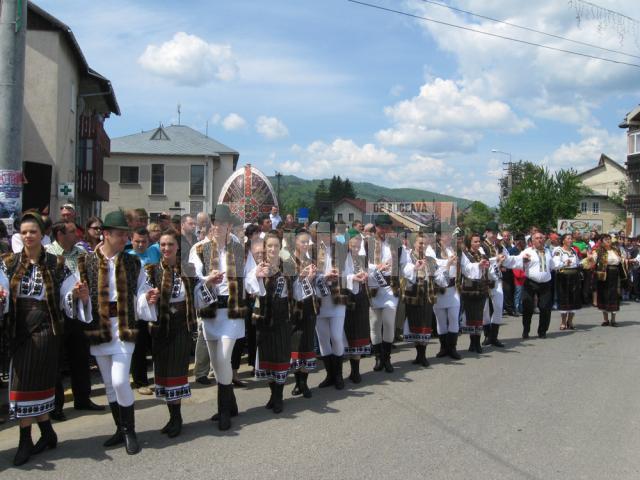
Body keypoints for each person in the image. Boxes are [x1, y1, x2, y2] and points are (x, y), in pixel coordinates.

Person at [73, 210, 152, 455]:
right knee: (109, 383)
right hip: (99, 326)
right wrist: (81, 297)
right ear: (105, 234)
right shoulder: (86, 261)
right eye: (120, 235)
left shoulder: (132, 261)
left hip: (124, 326)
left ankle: (130, 431)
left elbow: (142, 290)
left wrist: (148, 297)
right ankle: (120, 428)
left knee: (119, 380)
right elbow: (75, 295)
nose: (125, 239)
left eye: (126, 234)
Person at [0, 212, 76, 466]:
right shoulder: (9, 263)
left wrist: (78, 294)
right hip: (17, 329)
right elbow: (2, 293)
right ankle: (47, 432)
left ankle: (25, 440)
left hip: (45, 328)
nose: (28, 236)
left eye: (33, 231)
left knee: (29, 383)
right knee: (23, 382)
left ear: (42, 235)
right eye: (24, 232)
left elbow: (67, 294)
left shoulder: (56, 263)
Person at [189, 204, 248, 431]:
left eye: (223, 223)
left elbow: (250, 273)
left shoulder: (239, 249)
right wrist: (207, 278)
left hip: (232, 311)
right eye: (216, 223)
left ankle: (224, 411)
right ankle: (230, 404)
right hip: (210, 311)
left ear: (230, 226)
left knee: (223, 359)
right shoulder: (199, 248)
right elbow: (194, 275)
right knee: (216, 361)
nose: (218, 227)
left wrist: (258, 275)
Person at [138, 229, 197, 438]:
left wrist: (210, 282)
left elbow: (197, 293)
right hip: (161, 327)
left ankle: (177, 417)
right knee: (163, 372)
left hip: (181, 326)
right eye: (162, 245)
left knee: (176, 372)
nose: (166, 248)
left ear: (178, 247)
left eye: (170, 245)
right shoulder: (151, 270)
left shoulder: (188, 269)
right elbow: (142, 296)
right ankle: (172, 416)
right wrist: (148, 298)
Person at [47, 221, 104, 420]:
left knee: (80, 357)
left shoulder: (81, 253)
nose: (77, 235)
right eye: (72, 232)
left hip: (79, 312)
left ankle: (83, 398)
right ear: (60, 234)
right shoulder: (48, 254)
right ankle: (56, 406)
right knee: (56, 360)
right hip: (57, 313)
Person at [245, 232, 293, 413]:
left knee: (280, 356)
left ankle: (279, 396)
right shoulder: (258, 266)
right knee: (268, 357)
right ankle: (273, 394)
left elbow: (295, 290)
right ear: (265, 248)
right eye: (269, 246)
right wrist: (257, 275)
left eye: (276, 246)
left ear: (280, 248)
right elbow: (249, 288)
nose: (273, 249)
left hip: (282, 317)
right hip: (264, 317)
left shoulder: (288, 266)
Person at [313, 223, 353, 390]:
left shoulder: (342, 250)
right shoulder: (313, 251)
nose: (324, 237)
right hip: (320, 300)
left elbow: (349, 271)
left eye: (327, 233)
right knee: (323, 339)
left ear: (332, 234)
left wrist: (340, 276)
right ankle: (330, 375)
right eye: (320, 234)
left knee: (336, 336)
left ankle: (338, 375)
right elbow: (308, 274)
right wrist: (323, 277)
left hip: (337, 299)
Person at [365, 215, 407, 372]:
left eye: (387, 228)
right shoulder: (367, 244)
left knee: (389, 322)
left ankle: (387, 358)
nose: (384, 230)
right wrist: (377, 268)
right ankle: (378, 358)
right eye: (381, 227)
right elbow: (360, 265)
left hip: (390, 287)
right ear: (376, 227)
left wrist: (414, 269)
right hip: (374, 286)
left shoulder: (397, 244)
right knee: (375, 324)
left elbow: (404, 264)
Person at [402, 232, 444, 367]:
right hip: (413, 293)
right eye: (420, 243)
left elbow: (437, 274)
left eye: (425, 243)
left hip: (427, 293)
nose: (423, 246)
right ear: (414, 243)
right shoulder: (408, 257)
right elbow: (405, 272)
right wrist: (415, 267)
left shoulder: (430, 259)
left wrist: (446, 271)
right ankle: (418, 354)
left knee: (425, 324)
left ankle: (423, 355)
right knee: (415, 324)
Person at [128, 227, 160, 395]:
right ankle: (140, 382)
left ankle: (161, 378)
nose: (140, 245)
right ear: (131, 240)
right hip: (136, 307)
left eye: (144, 241)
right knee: (139, 347)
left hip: (155, 304)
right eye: (137, 241)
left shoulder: (154, 253)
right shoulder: (127, 258)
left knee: (155, 344)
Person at [289, 229, 318, 398]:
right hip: (295, 308)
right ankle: (297, 381)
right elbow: (288, 285)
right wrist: (300, 277)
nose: (306, 245)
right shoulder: (288, 261)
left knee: (307, 344)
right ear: (295, 243)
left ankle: (303, 383)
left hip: (309, 306)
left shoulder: (311, 260)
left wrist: (315, 277)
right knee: (296, 345)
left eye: (308, 242)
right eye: (303, 242)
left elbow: (315, 285)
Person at [511, 231, 557, 339]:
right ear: (532, 241)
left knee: (545, 307)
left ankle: (542, 331)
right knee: (528, 307)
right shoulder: (527, 251)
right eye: (537, 238)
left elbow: (553, 265)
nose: (540, 240)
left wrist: (565, 263)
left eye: (541, 238)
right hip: (530, 282)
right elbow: (517, 262)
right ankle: (526, 330)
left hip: (545, 283)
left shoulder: (548, 251)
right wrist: (522, 261)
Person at [481, 222, 517, 348]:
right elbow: (483, 260)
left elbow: (508, 259)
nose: (494, 235)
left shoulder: (499, 246)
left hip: (496, 280)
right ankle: (487, 335)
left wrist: (520, 259)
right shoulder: (481, 245)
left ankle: (494, 337)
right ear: (486, 232)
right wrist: (496, 259)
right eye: (492, 232)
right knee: (485, 310)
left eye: (496, 233)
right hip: (484, 281)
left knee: (498, 308)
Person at [459, 234, 495, 353]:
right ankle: (472, 342)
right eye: (475, 242)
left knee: (479, 315)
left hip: (481, 287)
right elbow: (466, 269)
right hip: (469, 287)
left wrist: (487, 265)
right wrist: (478, 265)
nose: (478, 243)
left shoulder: (482, 253)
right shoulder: (465, 254)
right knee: (470, 315)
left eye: (479, 241)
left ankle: (477, 342)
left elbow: (488, 267)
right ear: (470, 243)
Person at [343, 229, 371, 382]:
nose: (355, 249)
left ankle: (356, 371)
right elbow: (341, 276)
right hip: (348, 298)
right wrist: (352, 277)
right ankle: (341, 371)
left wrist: (366, 275)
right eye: (353, 246)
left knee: (359, 333)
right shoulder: (342, 258)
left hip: (361, 297)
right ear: (348, 244)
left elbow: (369, 272)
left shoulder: (362, 257)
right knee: (349, 333)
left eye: (358, 246)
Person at [431, 231, 461, 360]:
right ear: (439, 237)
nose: (449, 237)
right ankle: (444, 347)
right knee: (441, 320)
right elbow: (434, 269)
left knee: (454, 317)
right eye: (445, 235)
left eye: (449, 235)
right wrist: (448, 264)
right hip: (439, 289)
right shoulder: (432, 251)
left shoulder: (452, 249)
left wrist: (457, 263)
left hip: (453, 289)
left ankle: (452, 348)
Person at [590, 234, 627, 327]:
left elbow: (621, 260)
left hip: (615, 275)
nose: (608, 241)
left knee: (614, 295)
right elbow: (593, 260)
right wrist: (590, 258)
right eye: (606, 240)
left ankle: (613, 320)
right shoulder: (598, 251)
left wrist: (624, 260)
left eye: (609, 239)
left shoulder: (616, 250)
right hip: (604, 276)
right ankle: (605, 320)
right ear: (602, 241)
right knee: (604, 295)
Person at [553, 234, 582, 330]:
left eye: (571, 238)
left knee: (574, 298)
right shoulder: (558, 251)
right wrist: (564, 263)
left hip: (574, 276)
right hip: (563, 276)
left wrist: (586, 261)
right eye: (568, 238)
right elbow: (556, 264)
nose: (571, 240)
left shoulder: (573, 250)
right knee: (564, 298)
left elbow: (577, 263)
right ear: (563, 241)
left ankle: (570, 321)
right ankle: (563, 322)